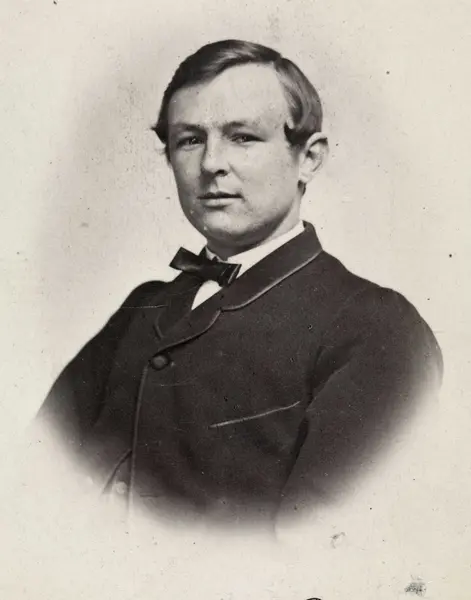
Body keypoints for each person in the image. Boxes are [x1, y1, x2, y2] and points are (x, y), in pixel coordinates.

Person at [37, 39, 442, 524]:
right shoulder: (143, 308)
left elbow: (321, 547)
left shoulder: (374, 327)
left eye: (243, 137)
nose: (211, 164)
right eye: (190, 140)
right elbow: (31, 481)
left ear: (309, 158)